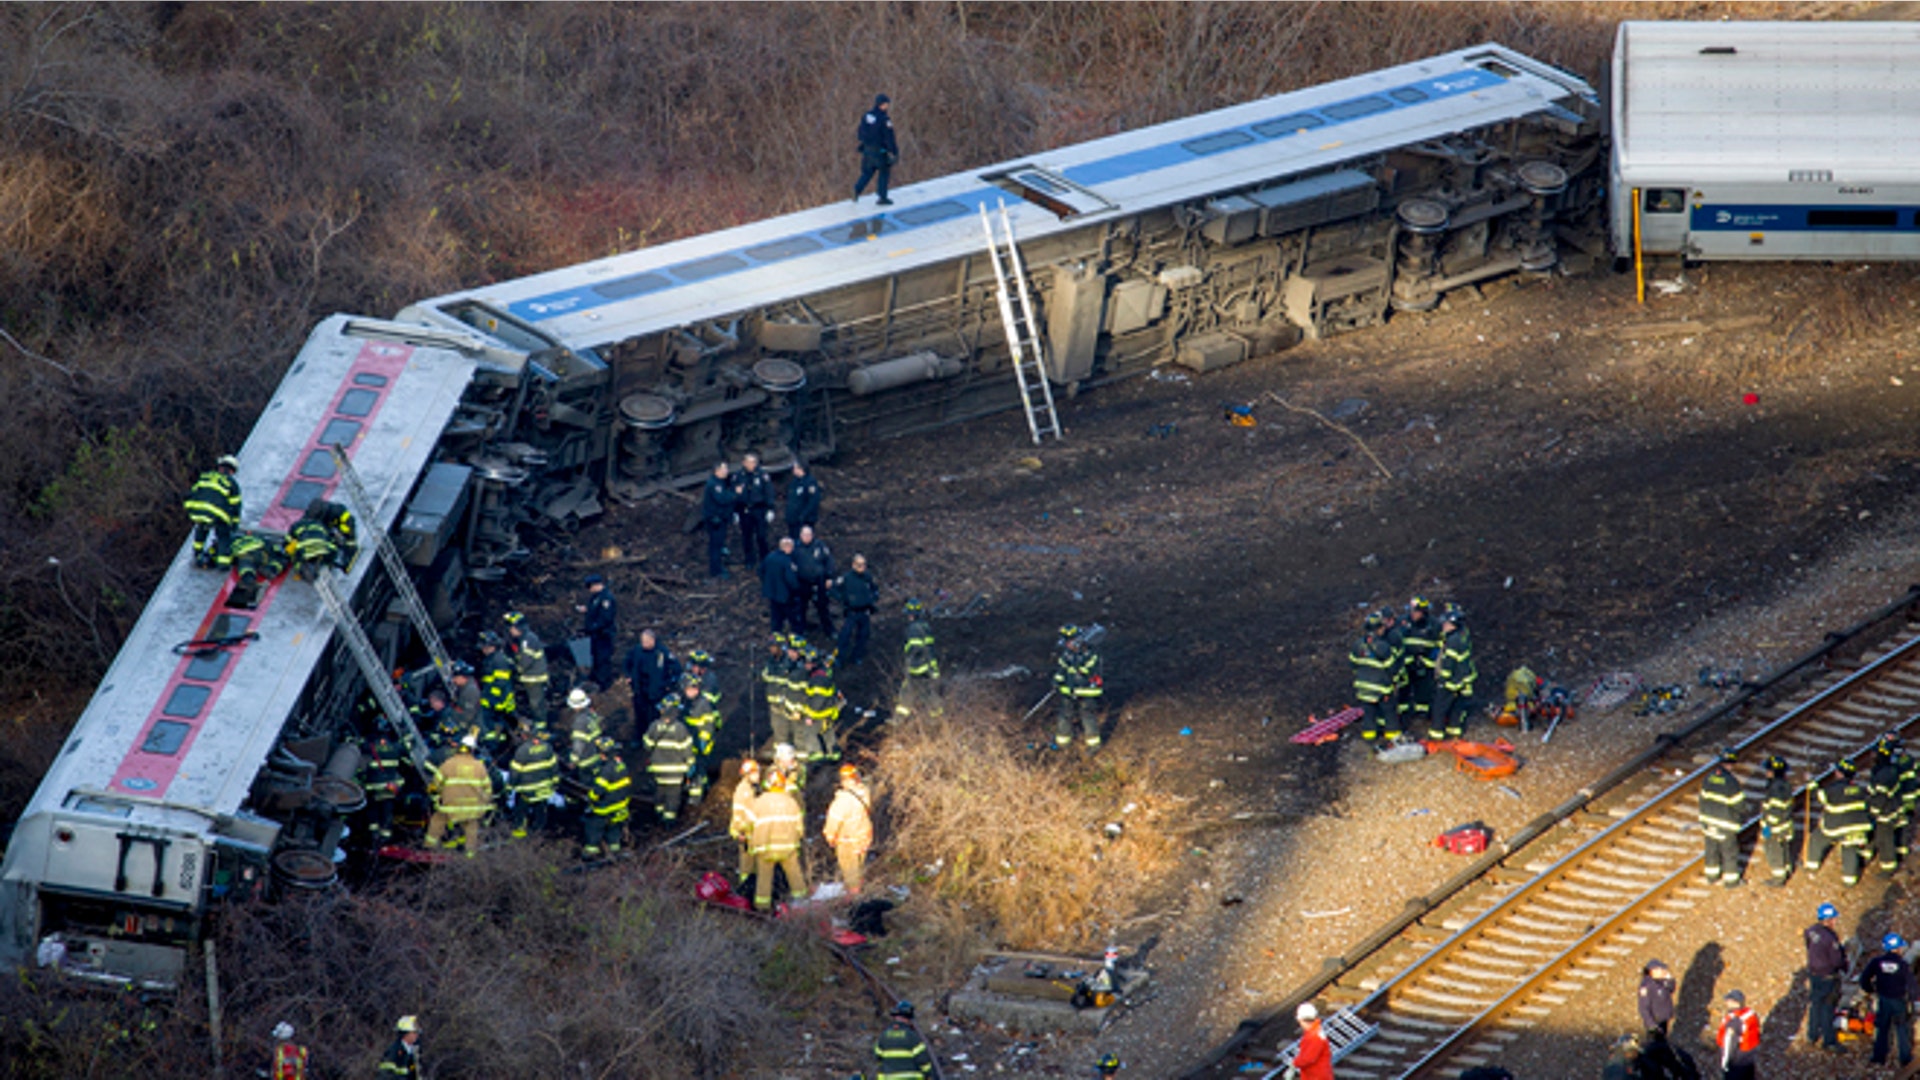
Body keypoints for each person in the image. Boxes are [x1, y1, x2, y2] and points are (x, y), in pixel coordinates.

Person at [1806, 758, 1873, 887]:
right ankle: (1850, 880)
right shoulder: (1859, 789)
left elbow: (1819, 796)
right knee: (1850, 849)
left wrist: (1811, 783)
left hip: (1836, 827)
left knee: (1817, 838)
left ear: (1839, 773)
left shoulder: (1833, 789)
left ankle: (1812, 866)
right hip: (1858, 827)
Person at [749, 771, 808, 910]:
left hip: (765, 848)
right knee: (795, 876)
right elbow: (799, 827)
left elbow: (749, 825)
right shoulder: (791, 802)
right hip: (788, 848)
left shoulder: (759, 802)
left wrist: (751, 841)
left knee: (764, 880)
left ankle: (762, 910)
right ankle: (803, 906)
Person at [425, 734, 492, 855]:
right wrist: (482, 804)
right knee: (471, 827)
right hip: (472, 807)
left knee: (437, 821)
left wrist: (436, 798)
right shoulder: (479, 766)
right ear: (472, 750)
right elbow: (487, 789)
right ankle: (470, 854)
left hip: (450, 805)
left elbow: (435, 785)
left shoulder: (448, 764)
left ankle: (429, 848)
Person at [1864, 931, 1916, 1067]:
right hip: (1898, 1001)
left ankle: (1878, 1056)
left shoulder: (1877, 962)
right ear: (1898, 948)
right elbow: (1911, 985)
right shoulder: (1903, 965)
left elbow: (1864, 979)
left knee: (1882, 1028)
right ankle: (1905, 1058)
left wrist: (1870, 989)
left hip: (1883, 999)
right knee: (1902, 1028)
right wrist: (1914, 999)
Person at [184, 454, 242, 569]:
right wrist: (234, 525)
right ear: (232, 471)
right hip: (216, 514)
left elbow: (192, 492)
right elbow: (236, 507)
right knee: (223, 535)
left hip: (197, 511)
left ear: (220, 467)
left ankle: (197, 554)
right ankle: (223, 563)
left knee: (201, 528)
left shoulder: (206, 476)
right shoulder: (231, 483)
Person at [1698, 748, 1746, 888]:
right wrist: (1740, 817)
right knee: (1729, 852)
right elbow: (1739, 805)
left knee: (1711, 850)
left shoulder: (1708, 777)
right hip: (1725, 825)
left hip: (1708, 822)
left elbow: (1702, 799)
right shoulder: (1731, 782)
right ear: (1731, 764)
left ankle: (1712, 877)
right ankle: (1731, 881)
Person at [644, 699, 697, 824]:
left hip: (658, 770)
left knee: (659, 793)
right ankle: (669, 821)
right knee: (673, 797)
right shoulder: (680, 728)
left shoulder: (654, 726)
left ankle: (658, 815)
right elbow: (687, 750)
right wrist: (690, 764)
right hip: (676, 772)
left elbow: (647, 746)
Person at [823, 763, 874, 894]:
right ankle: (860, 887)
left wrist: (829, 837)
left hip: (848, 839)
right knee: (859, 865)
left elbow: (833, 822)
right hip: (864, 835)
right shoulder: (864, 792)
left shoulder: (842, 801)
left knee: (849, 868)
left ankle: (854, 896)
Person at [623, 629, 682, 740]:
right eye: (642, 641)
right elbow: (626, 661)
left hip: (657, 691)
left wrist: (668, 684)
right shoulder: (636, 650)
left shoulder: (662, 652)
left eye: (646, 641)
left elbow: (677, 669)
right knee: (640, 716)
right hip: (639, 689)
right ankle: (639, 738)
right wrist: (628, 676)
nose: (644, 644)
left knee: (655, 716)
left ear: (652, 640)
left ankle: (655, 738)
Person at [1054, 624, 1104, 751]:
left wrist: (1076, 672)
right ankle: (1063, 744)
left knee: (1087, 716)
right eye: (1066, 642)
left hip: (1087, 691)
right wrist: (1057, 681)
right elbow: (1061, 670)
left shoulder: (1091, 654)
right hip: (1069, 691)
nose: (1068, 645)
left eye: (1070, 641)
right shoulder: (1067, 655)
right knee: (1065, 715)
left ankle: (1094, 746)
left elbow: (1089, 670)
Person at [1350, 611, 1398, 744]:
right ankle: (1393, 739)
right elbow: (1392, 668)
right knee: (1389, 714)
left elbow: (1352, 664)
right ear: (1379, 628)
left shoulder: (1357, 645)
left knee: (1369, 715)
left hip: (1363, 688)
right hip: (1381, 688)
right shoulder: (1383, 647)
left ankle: (1369, 740)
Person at [1805, 901, 1846, 1052]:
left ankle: (1812, 1034)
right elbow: (1837, 960)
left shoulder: (1811, 931)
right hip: (1827, 976)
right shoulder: (1830, 938)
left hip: (1814, 974)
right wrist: (1842, 966)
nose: (1835, 922)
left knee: (1815, 1005)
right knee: (1828, 1008)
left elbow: (1808, 944)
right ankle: (1829, 1041)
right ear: (1829, 920)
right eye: (1834, 919)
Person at [1431, 603, 1476, 739]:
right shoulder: (1462, 634)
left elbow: (1448, 664)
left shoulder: (1453, 641)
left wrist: (1442, 680)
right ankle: (1454, 732)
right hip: (1462, 679)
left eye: (1446, 624)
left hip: (1451, 681)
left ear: (1453, 624)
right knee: (1457, 708)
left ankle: (1436, 735)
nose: (1443, 626)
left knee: (1439, 708)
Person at [507, 723, 559, 838]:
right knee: (540, 810)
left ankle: (519, 833)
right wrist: (555, 783)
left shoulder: (522, 751)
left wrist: (510, 787)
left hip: (527, 790)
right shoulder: (547, 747)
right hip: (544, 789)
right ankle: (538, 832)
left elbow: (515, 773)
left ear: (525, 736)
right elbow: (554, 768)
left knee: (520, 810)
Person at [583, 735, 632, 858]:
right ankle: (615, 851)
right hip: (620, 806)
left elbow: (599, 790)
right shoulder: (621, 765)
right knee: (614, 831)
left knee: (593, 829)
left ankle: (590, 853)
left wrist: (590, 797)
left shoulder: (605, 770)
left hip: (605, 808)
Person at [1636, 959, 1685, 1078]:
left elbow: (1671, 989)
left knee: (1660, 1048)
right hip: (1656, 1022)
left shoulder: (1660, 982)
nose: (1663, 972)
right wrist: (1651, 1025)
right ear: (1653, 971)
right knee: (1658, 1049)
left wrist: (1669, 978)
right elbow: (1644, 1009)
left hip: (1663, 1020)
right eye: (1661, 970)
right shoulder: (1647, 986)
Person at [894, 598, 942, 720]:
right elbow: (929, 649)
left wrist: (907, 656)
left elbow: (915, 648)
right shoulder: (925, 626)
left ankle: (899, 720)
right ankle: (936, 718)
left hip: (917, 667)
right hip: (926, 667)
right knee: (927, 693)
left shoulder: (913, 628)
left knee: (908, 692)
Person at [675, 676, 721, 800]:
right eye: (688, 689)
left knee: (699, 769)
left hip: (700, 743)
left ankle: (696, 798)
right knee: (693, 767)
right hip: (689, 742)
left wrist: (703, 742)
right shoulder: (685, 704)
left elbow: (709, 725)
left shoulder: (704, 704)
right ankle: (703, 785)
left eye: (693, 689)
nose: (691, 692)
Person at [502, 611, 550, 728]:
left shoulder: (528, 640)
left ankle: (541, 728)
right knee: (534, 703)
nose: (510, 631)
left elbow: (525, 662)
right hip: (530, 677)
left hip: (534, 678)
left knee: (536, 704)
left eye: (512, 628)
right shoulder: (523, 639)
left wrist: (515, 668)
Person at [1401, 596, 1440, 739]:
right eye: (1411, 611)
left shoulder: (1434, 625)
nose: (1413, 614)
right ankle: (1404, 717)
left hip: (1425, 665)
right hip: (1407, 665)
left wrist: (1428, 661)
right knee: (1404, 691)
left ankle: (1422, 715)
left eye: (1416, 611)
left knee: (1424, 691)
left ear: (1423, 611)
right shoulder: (1403, 622)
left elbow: (1440, 646)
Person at [359, 726, 405, 845]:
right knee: (387, 811)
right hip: (389, 786)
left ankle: (373, 835)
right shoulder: (395, 747)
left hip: (374, 786)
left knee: (373, 810)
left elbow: (359, 745)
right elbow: (406, 748)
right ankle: (385, 837)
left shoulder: (371, 746)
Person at [831, 553, 879, 668]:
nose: (862, 568)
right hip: (852, 611)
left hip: (865, 611)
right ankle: (840, 658)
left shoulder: (867, 576)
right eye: (859, 565)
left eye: (863, 565)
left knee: (863, 635)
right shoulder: (846, 578)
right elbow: (834, 589)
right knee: (845, 635)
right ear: (853, 565)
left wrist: (873, 598)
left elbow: (874, 588)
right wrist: (843, 599)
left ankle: (857, 656)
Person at [853, 95, 899, 207]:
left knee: (867, 172)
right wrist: (894, 151)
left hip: (867, 151)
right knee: (884, 172)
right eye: (886, 104)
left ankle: (857, 190)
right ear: (882, 104)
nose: (887, 106)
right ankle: (882, 197)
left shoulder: (867, 116)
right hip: (879, 152)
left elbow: (860, 133)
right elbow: (889, 137)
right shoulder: (884, 120)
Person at [1872, 734, 1908, 875]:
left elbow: (1880, 798)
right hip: (1895, 806)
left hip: (1886, 813)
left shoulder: (1883, 775)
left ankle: (1888, 867)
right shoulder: (1892, 769)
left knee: (1884, 840)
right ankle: (1900, 852)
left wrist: (1873, 811)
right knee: (1897, 832)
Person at [476, 631, 518, 752]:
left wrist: (490, 699)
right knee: (497, 726)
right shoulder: (491, 659)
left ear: (492, 646)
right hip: (494, 701)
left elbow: (501, 683)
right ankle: (500, 745)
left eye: (485, 646)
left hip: (498, 702)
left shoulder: (498, 660)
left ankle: (495, 748)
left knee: (493, 726)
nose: (483, 649)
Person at [734, 452, 775, 570]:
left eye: (754, 462)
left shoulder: (762, 475)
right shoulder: (738, 476)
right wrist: (735, 511)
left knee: (761, 536)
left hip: (759, 509)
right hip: (744, 510)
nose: (752, 465)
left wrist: (770, 508)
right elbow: (734, 494)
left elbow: (769, 492)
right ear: (743, 463)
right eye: (749, 462)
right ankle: (749, 560)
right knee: (747, 536)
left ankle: (765, 559)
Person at [793, 524, 837, 635]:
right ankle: (801, 630)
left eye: (809, 535)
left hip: (819, 582)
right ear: (800, 535)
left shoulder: (820, 546)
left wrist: (829, 577)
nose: (807, 537)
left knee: (823, 607)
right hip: (802, 583)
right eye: (804, 535)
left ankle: (829, 629)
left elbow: (829, 561)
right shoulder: (795, 548)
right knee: (801, 608)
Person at [871, 1000, 931, 1079]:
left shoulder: (883, 1036)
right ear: (909, 1018)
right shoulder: (912, 1037)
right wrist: (928, 1074)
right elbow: (923, 1061)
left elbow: (877, 1056)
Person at [577, 574, 617, 691]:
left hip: (603, 634)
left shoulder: (606, 598)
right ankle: (595, 679)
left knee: (603, 659)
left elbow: (606, 618)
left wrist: (593, 627)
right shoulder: (595, 597)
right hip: (595, 635)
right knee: (595, 657)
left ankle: (604, 683)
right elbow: (594, 608)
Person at [228, 529, 289, 604]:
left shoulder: (234, 541)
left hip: (243, 555)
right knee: (279, 561)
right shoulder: (259, 539)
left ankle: (248, 578)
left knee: (246, 566)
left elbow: (224, 552)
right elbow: (274, 550)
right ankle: (270, 570)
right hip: (259, 554)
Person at [1760, 754, 1795, 886]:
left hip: (1776, 827)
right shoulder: (1783, 785)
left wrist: (1769, 826)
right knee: (1783, 848)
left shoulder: (1775, 789)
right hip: (1784, 826)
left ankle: (1778, 879)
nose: (1766, 773)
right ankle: (1786, 869)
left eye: (1768, 770)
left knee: (1774, 850)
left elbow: (1775, 810)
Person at [700, 461, 736, 578]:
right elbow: (722, 499)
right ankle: (716, 571)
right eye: (724, 469)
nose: (727, 471)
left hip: (721, 518)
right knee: (715, 546)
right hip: (716, 520)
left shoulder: (721, 482)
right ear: (717, 471)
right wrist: (734, 494)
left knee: (719, 545)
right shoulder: (715, 484)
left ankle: (719, 566)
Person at [761, 535, 802, 634]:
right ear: (787, 547)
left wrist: (767, 583)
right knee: (793, 618)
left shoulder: (769, 557)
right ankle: (797, 636)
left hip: (772, 593)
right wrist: (797, 589)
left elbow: (761, 571)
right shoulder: (787, 561)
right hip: (785, 595)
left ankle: (776, 637)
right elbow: (791, 580)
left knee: (775, 617)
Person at [1716, 990, 1759, 1080]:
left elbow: (1730, 1044)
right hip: (1749, 1056)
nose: (1726, 1002)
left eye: (1728, 1000)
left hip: (1736, 1060)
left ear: (1735, 1002)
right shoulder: (1750, 1015)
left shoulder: (1734, 1021)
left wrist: (1725, 1063)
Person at [731, 758, 762, 880]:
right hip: (745, 833)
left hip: (752, 832)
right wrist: (740, 832)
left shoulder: (750, 789)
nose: (758, 776)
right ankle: (745, 888)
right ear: (747, 774)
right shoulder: (743, 790)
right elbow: (738, 813)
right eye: (755, 773)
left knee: (753, 864)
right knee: (747, 865)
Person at [567, 687, 606, 777]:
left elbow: (579, 745)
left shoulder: (579, 722)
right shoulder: (591, 715)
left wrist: (573, 761)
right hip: (597, 755)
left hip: (586, 761)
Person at [1293, 1002, 1333, 1080]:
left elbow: (1308, 1058)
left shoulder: (1314, 1036)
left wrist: (1295, 1063)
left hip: (1316, 1076)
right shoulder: (1315, 1032)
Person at [785, 459, 821, 540]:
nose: (793, 470)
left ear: (801, 469)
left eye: (795, 468)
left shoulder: (810, 482)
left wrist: (803, 515)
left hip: (804, 520)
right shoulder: (794, 482)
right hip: (793, 519)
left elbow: (813, 501)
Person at [378, 1015, 421, 1079]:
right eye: (414, 1032)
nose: (417, 1035)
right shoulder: (393, 1051)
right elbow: (385, 1075)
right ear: (406, 1034)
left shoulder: (414, 1052)